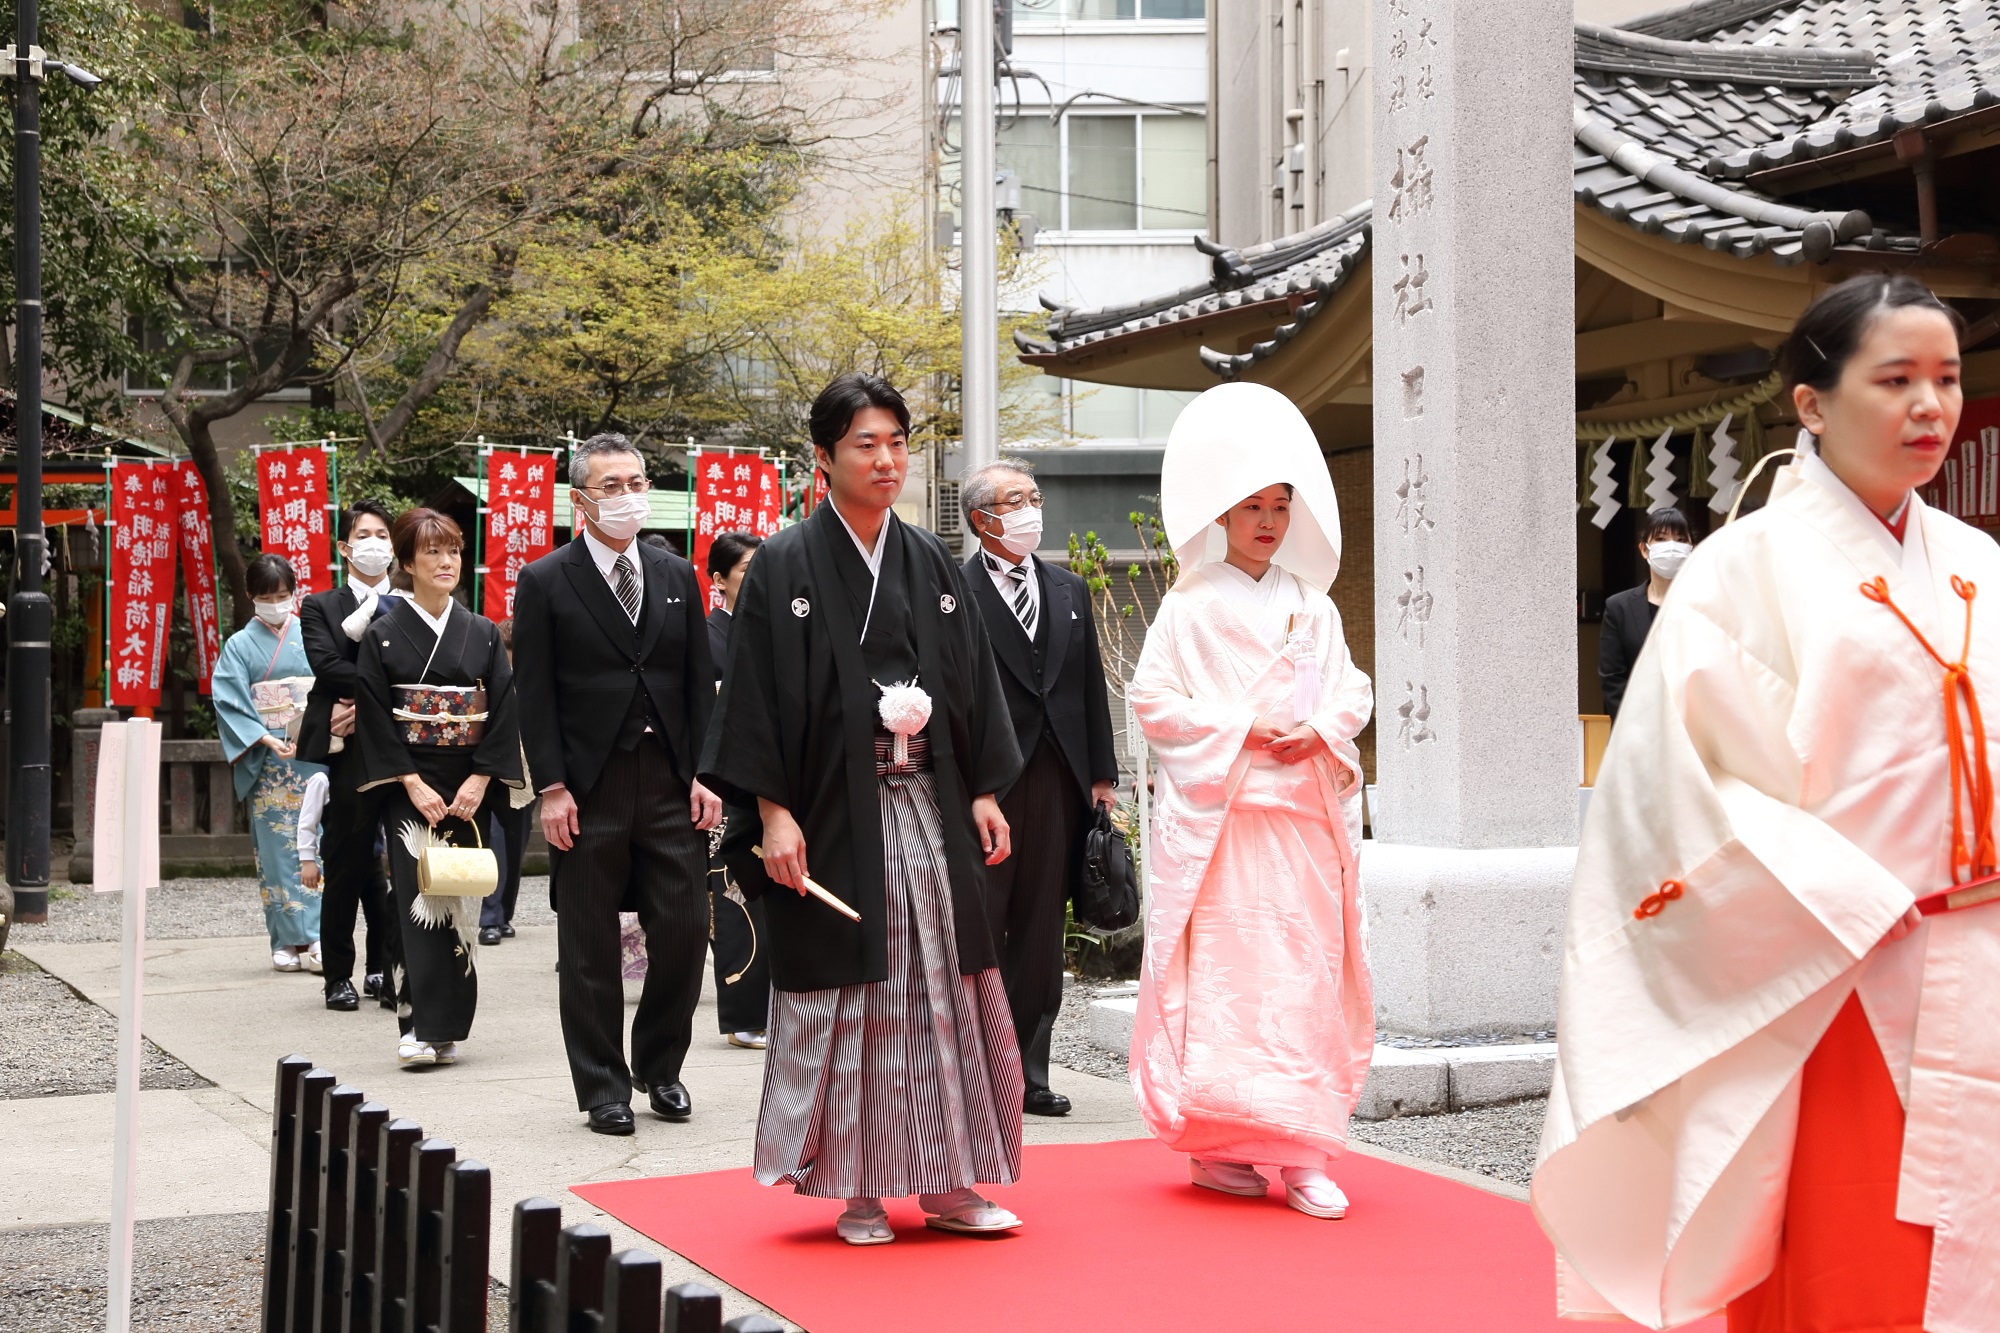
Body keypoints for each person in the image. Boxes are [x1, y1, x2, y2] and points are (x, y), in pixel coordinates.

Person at [1531, 274, 1989, 1330]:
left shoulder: (1976, 565)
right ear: (1810, 403)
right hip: (1832, 970)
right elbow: (1673, 790)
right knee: (1856, 1249)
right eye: (1896, 379)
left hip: (1980, 968)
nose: (1930, 406)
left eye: (1947, 378)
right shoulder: (1739, 569)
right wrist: (1847, 899)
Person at [701, 372, 1026, 1246]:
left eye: (896, 442)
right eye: (864, 445)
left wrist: (986, 790)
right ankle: (859, 1184)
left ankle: (952, 1179)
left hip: (928, 803)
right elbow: (758, 698)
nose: (886, 461)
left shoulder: (927, 559)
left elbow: (970, 684)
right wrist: (772, 813)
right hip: (833, 812)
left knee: (946, 987)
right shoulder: (782, 565)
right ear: (824, 458)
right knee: (857, 998)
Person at [1127, 381, 1375, 1221]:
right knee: (1230, 982)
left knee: (1300, 978)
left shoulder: (1314, 608)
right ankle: (1225, 1144)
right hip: (1225, 826)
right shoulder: (1188, 607)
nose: (1267, 521)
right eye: (1250, 506)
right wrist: (1246, 724)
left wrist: (1321, 730)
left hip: (1299, 821)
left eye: (1279, 506)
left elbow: (1352, 692)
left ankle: (1301, 1149)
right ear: (1222, 516)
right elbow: (1153, 701)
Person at [513, 434, 722, 1135]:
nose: (629, 494)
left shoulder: (672, 571)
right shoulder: (546, 579)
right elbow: (534, 694)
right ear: (580, 499)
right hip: (587, 785)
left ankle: (660, 1066)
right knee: (589, 943)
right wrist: (551, 786)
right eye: (612, 484)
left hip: (669, 778)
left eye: (637, 481)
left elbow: (697, 682)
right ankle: (602, 1085)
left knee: (686, 928)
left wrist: (705, 773)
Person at [959, 460, 1119, 1118]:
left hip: (1059, 779)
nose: (1030, 510)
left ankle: (1029, 1069)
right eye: (1013, 501)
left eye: (1033, 497)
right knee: (979, 926)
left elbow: (1089, 686)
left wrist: (1102, 778)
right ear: (981, 519)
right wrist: (971, 783)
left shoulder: (1069, 589)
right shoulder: (953, 590)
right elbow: (952, 696)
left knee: (1040, 929)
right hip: (988, 786)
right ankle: (973, 1070)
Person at [354, 509, 523, 1068]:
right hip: (411, 783)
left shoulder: (480, 632)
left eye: (452, 550)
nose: (447, 561)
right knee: (417, 899)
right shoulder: (381, 636)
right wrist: (409, 780)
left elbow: (502, 707)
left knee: (459, 901)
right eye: (432, 552)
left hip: (468, 782)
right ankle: (419, 1022)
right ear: (407, 563)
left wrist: (480, 778)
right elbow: (377, 716)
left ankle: (446, 1022)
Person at [298, 500, 399, 1011]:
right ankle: (339, 973)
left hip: (403, 745)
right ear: (344, 546)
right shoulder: (321, 605)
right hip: (349, 751)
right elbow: (327, 665)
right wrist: (385, 689)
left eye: (383, 534)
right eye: (364, 534)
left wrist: (372, 699)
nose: (375, 543)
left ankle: (389, 968)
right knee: (347, 860)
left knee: (403, 860)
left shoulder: (409, 599)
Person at [213, 553, 329, 974]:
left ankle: (319, 936)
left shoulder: (312, 633)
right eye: (266, 596)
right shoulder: (240, 645)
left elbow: (330, 683)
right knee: (277, 851)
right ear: (250, 597)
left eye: (283, 595)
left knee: (316, 843)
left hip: (313, 751)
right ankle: (284, 940)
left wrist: (314, 729)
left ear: (294, 594)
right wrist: (264, 737)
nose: (277, 603)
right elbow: (228, 698)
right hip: (267, 759)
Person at [704, 529, 770, 1050]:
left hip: (770, 775)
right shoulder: (708, 635)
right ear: (719, 579)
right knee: (734, 894)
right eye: (746, 569)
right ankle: (743, 1012)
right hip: (723, 781)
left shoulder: (769, 630)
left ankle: (776, 1006)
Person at [1597, 507, 1694, 720]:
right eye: (1660, 538)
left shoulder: (1704, 604)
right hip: (1636, 732)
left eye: (1680, 540)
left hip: (1692, 733)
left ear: (1690, 548)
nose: (1671, 547)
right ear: (1644, 549)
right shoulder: (1618, 607)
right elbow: (1613, 679)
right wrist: (1637, 725)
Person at [477, 617, 530, 948]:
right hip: (488, 772)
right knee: (491, 843)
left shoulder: (534, 677)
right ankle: (489, 917)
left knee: (516, 844)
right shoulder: (484, 675)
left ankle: (504, 914)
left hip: (526, 775)